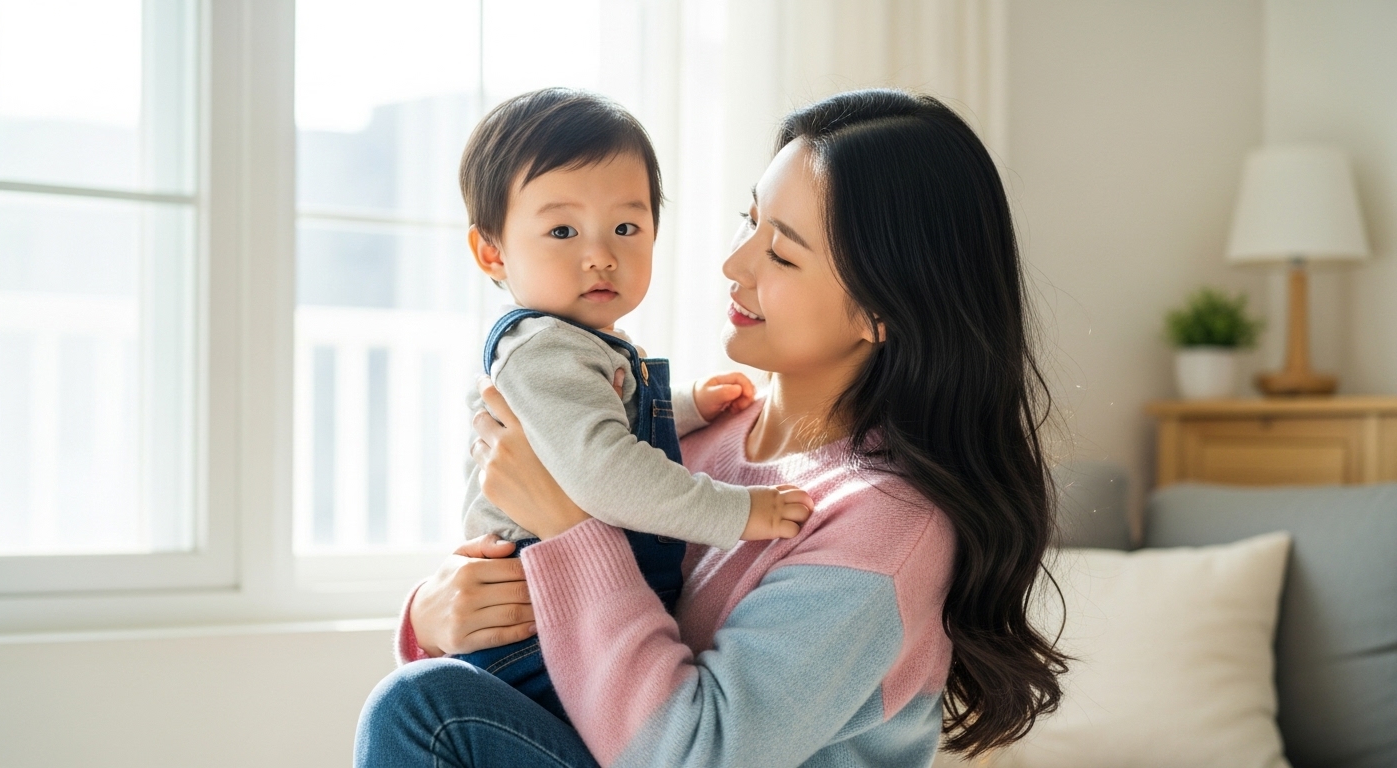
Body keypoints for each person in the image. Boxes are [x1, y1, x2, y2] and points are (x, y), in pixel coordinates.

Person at [357, 89, 1068, 768]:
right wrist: (437, 618)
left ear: (881, 310)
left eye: (782, 252)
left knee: (426, 711)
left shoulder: (886, 527)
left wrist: (571, 526)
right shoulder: (690, 437)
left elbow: (695, 754)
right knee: (430, 701)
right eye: (746, 219)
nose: (733, 264)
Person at [451, 88, 814, 721]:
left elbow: (601, 423)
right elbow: (606, 471)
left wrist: (686, 406)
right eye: (562, 229)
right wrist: (738, 511)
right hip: (534, 625)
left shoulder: (582, 347)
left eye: (627, 226)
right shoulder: (542, 351)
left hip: (568, 613)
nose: (601, 254)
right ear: (492, 251)